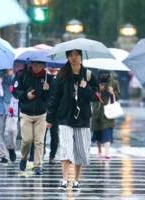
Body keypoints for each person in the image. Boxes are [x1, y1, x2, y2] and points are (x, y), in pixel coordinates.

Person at [46, 49, 98, 191]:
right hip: (65, 117)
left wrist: (86, 87)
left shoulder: (88, 75)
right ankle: (64, 179)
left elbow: (96, 96)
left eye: (76, 55)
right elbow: (54, 98)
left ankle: (76, 179)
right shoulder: (61, 76)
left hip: (83, 118)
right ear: (68, 57)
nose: (74, 58)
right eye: (71, 55)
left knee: (80, 150)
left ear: (81, 57)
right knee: (66, 149)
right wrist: (50, 118)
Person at [13, 60, 53, 175]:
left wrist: (47, 90)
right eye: (34, 65)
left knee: (39, 141)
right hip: (26, 114)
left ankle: (38, 165)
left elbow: (52, 97)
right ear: (31, 64)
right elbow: (15, 91)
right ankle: (23, 158)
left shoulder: (48, 78)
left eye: (39, 65)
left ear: (44, 66)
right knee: (26, 140)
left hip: (41, 115)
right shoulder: (23, 75)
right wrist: (26, 95)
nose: (36, 67)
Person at [91, 70, 120, 159]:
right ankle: (99, 150)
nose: (104, 75)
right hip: (97, 110)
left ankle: (107, 152)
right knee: (98, 131)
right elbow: (91, 95)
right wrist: (98, 90)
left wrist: (112, 93)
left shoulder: (114, 83)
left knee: (107, 131)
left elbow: (118, 96)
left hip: (108, 111)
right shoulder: (95, 81)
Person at [0, 69, 17, 163]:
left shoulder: (14, 71)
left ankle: (11, 148)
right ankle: (3, 155)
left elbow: (17, 86)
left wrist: (11, 75)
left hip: (11, 105)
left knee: (11, 130)